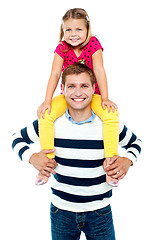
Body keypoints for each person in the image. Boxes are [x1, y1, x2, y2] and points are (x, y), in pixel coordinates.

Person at [12, 63, 142, 240]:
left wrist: (127, 161)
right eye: (71, 86)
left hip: (100, 213)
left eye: (84, 86)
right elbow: (16, 138)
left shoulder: (109, 125)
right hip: (61, 213)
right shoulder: (49, 123)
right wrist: (32, 157)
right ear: (63, 89)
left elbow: (136, 143)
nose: (78, 93)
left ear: (94, 88)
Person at [36, 8, 119, 186]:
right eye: (69, 30)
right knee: (45, 115)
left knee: (110, 115)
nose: (73, 34)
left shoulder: (94, 44)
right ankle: (47, 165)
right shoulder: (62, 47)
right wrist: (47, 100)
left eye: (79, 29)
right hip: (68, 97)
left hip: (91, 96)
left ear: (87, 29)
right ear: (63, 31)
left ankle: (111, 166)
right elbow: (55, 73)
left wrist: (104, 98)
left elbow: (99, 70)